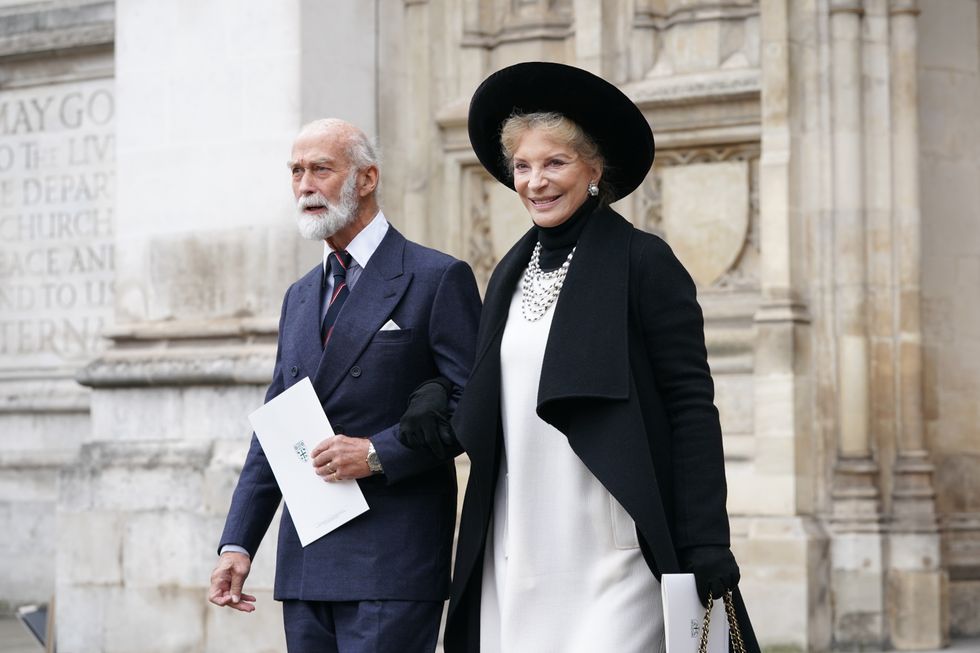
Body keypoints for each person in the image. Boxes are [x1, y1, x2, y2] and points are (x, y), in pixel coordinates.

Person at [398, 62, 761, 652]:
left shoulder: (644, 263)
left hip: (615, 548)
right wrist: (436, 394)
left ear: (594, 170)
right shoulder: (508, 275)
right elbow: (494, 396)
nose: (535, 181)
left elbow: (692, 407)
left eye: (555, 162)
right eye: (522, 166)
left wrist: (706, 541)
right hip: (519, 542)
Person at [208, 118, 482, 653]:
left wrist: (378, 453)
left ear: (366, 178)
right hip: (308, 563)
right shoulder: (300, 295)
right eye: (296, 171)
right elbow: (276, 426)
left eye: (321, 169)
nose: (305, 185)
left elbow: (471, 404)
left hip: (393, 561)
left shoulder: (435, 277)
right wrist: (238, 543)